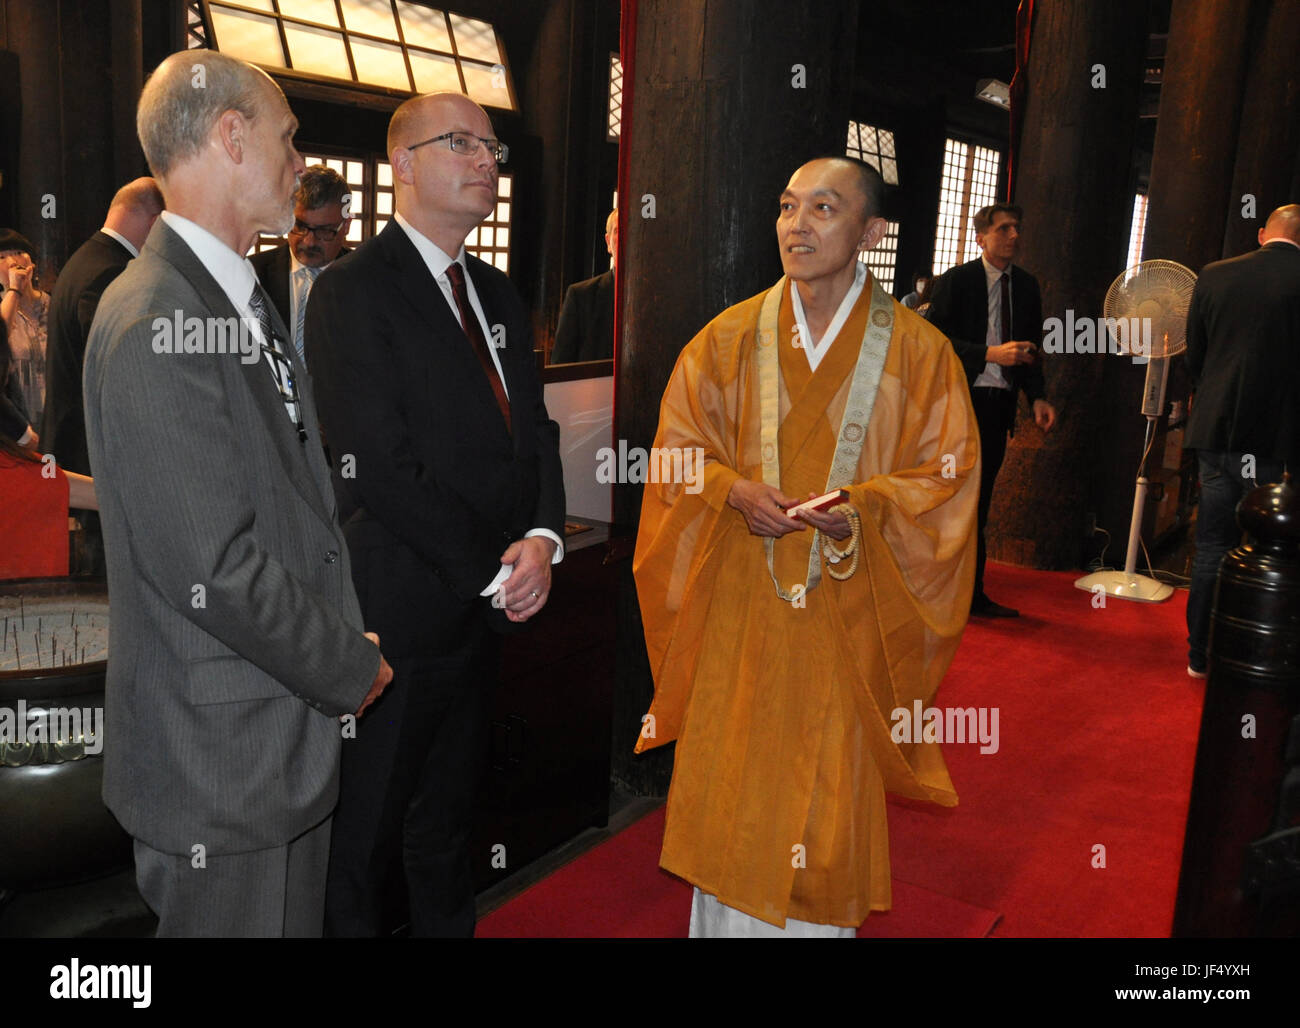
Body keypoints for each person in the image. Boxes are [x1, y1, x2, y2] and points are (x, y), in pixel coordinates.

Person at [82, 49, 392, 936]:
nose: (300, 164)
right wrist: (346, 662)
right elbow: (213, 564)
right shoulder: (155, 318)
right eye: (288, 139)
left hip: (267, 742)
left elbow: (286, 504)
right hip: (222, 765)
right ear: (230, 136)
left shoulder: (231, 299)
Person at [633, 156, 979, 936]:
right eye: (788, 207)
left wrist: (865, 507)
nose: (798, 224)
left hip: (848, 616)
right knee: (732, 794)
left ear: (871, 231)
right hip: (740, 611)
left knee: (824, 806)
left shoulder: (922, 354)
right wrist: (730, 491)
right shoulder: (724, 340)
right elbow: (675, 452)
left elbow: (948, 481)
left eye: (824, 209)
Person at [306, 91, 565, 937]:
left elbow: (534, 429)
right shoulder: (353, 291)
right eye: (462, 143)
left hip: (483, 611)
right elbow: (380, 468)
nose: (487, 160)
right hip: (400, 615)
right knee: (366, 842)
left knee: (449, 833)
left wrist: (542, 537)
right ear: (405, 164)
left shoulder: (494, 290)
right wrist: (494, 570)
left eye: (492, 147)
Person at [1182, 203, 1300, 678]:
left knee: (1212, 544)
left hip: (1214, 427)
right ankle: (1249, 653)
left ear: (1262, 234)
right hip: (1274, 435)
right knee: (1267, 546)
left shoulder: (1214, 274)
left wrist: (1208, 395)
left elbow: (1197, 350)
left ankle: (1199, 655)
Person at [927, 203, 1057, 617]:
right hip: (958, 403)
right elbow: (933, 341)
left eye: (1017, 228)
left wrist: (1036, 396)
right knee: (950, 498)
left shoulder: (1027, 286)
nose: (1014, 236)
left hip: (998, 406)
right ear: (981, 238)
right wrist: (989, 353)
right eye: (1004, 229)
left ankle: (971, 594)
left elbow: (1032, 348)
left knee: (980, 501)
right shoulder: (957, 281)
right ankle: (936, 589)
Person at [40, 177, 163, 576]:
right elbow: (121, 372)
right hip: (96, 455)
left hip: (81, 448)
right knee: (106, 586)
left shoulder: (86, 260)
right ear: (155, 220)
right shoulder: (110, 272)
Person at [250, 164, 352, 359]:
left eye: (324, 231)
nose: (309, 241)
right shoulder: (254, 273)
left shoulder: (365, 277)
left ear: (345, 226)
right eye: (299, 226)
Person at [0, 229, 50, 432]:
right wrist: (14, 291)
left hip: (58, 421)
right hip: (18, 427)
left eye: (19, 252)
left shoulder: (52, 304)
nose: (13, 261)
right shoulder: (4, 312)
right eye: (2, 257)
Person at [551, 209, 616, 363]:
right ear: (608, 243)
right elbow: (561, 367)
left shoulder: (658, 296)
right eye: (619, 231)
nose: (626, 237)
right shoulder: (581, 296)